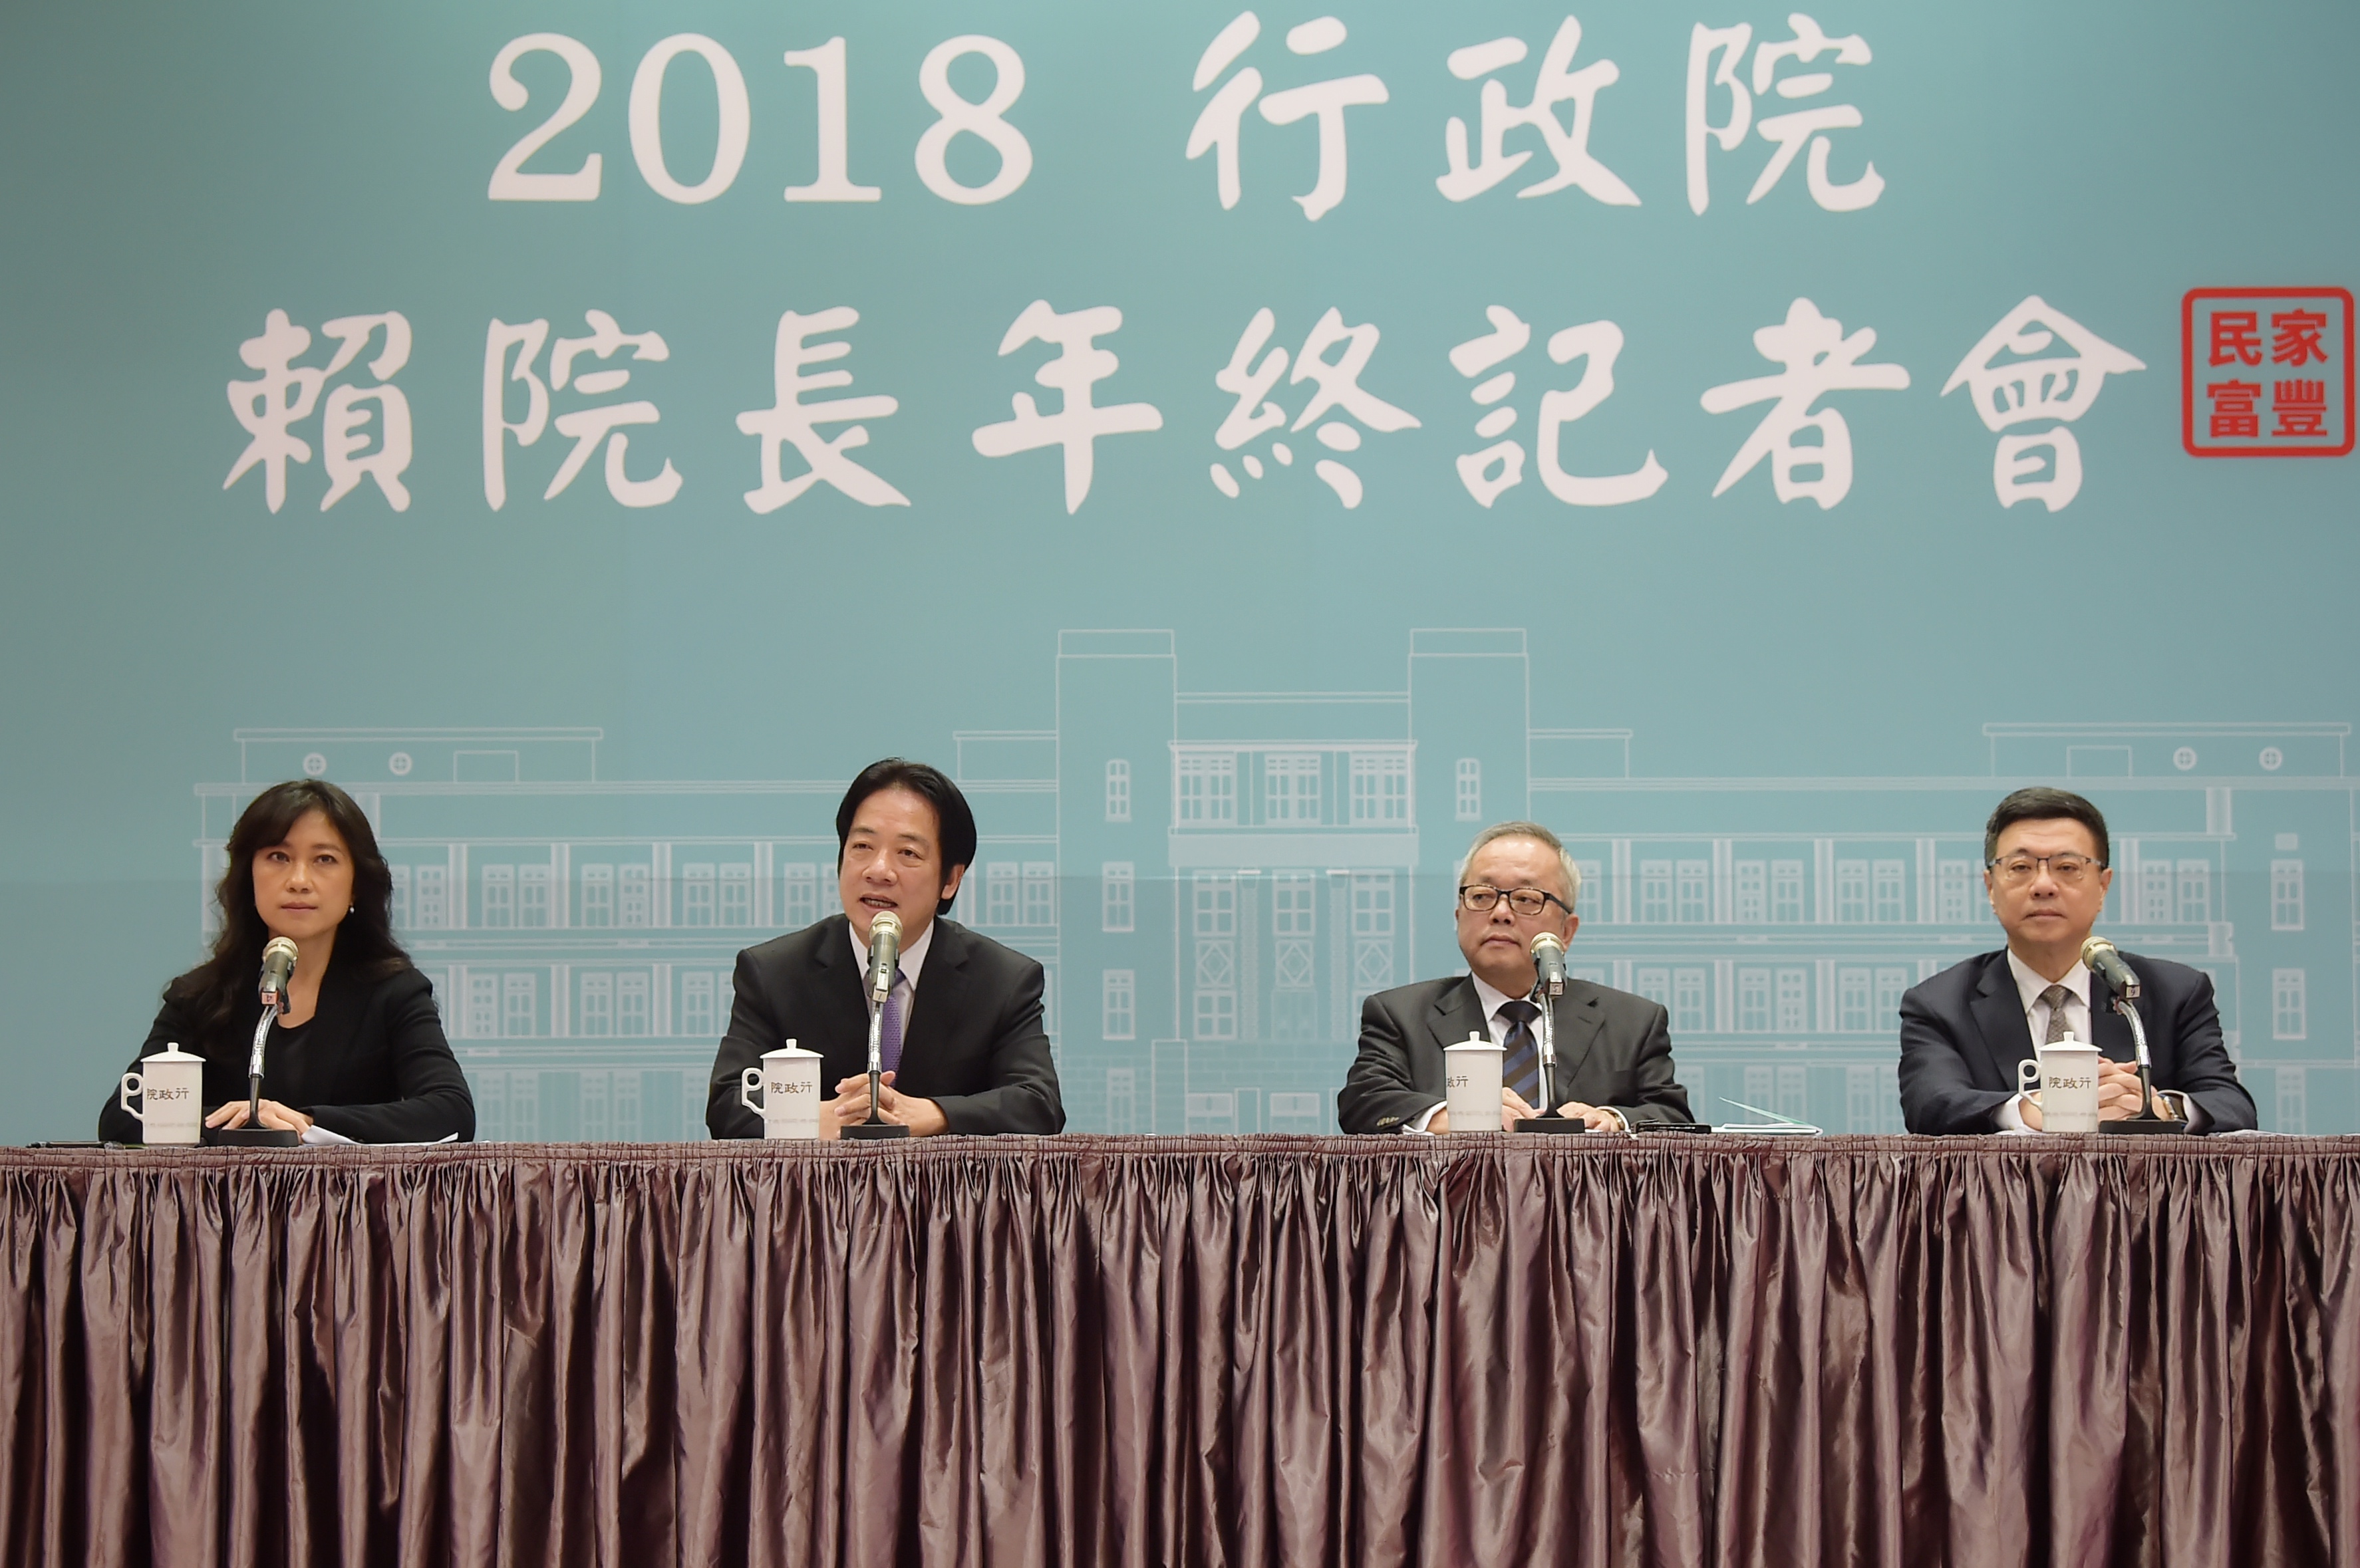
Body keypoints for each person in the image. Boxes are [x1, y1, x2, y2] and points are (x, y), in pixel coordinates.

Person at [98, 779, 474, 1144]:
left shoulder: (394, 992)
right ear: (249, 875)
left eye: (324, 859)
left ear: (356, 885)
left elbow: (451, 1110)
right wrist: (241, 1127)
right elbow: (124, 1116)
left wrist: (307, 1124)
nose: (299, 880)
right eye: (279, 857)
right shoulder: (200, 997)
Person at [706, 759, 1064, 1138]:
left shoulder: (1002, 980)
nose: (878, 870)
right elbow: (728, 1105)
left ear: (951, 880)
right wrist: (808, 1120)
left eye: (908, 853)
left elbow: (1038, 1105)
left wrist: (934, 1114)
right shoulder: (774, 972)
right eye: (862, 846)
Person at [1898, 786, 2256, 1134]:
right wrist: (2037, 1110)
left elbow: (2231, 1105)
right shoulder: (1940, 1004)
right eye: (2021, 867)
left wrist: (2161, 1108)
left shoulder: (2175, 992)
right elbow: (1929, 1105)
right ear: (1991, 888)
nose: (2043, 886)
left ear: (2103, 886)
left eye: (2067, 867)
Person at [1338, 821, 1692, 1133]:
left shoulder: (1631, 1022)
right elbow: (1363, 1102)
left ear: (1566, 931)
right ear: (1459, 916)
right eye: (1482, 896)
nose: (1501, 913)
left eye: (1526, 899)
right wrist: (1453, 1115)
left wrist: (1614, 1120)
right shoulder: (1401, 1015)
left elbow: (1672, 1116)